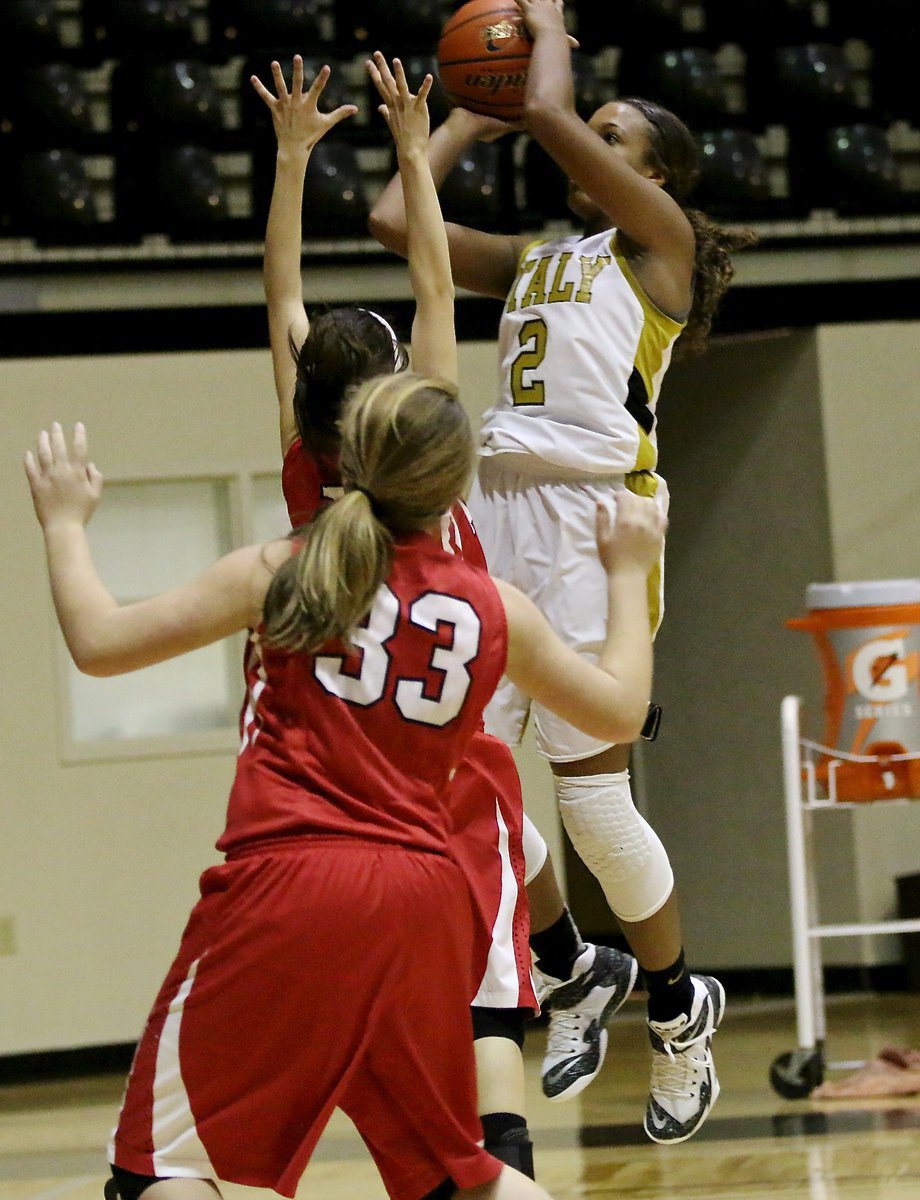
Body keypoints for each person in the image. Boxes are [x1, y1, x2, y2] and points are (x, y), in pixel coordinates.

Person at [24, 392, 664, 1200]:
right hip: (424, 902)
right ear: (454, 484)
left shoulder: (280, 567)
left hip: (289, 887)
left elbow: (99, 643)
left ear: (346, 459)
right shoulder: (496, 608)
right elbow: (621, 710)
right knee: (455, 1173)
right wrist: (627, 573)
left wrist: (64, 524)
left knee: (159, 1167)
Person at [369, 0, 755, 1144]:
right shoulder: (544, 256)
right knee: (458, 776)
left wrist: (538, 31)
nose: (581, 136)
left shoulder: (662, 256)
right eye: (587, 126)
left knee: (589, 801)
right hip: (497, 510)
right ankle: (567, 963)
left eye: (611, 134)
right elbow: (399, 218)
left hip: (596, 527)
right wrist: (457, 119)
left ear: (656, 177)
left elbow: (542, 102)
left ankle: (680, 1007)